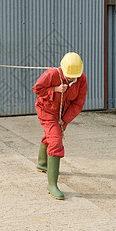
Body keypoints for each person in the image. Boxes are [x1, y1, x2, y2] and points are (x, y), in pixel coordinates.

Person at [32, 52, 87, 200]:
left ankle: (42, 164)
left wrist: (65, 119)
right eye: (69, 75)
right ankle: (52, 185)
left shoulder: (81, 80)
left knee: (52, 135)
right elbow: (37, 89)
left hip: (62, 114)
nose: (71, 78)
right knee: (56, 140)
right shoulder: (51, 74)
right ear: (63, 68)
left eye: (74, 76)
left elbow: (78, 103)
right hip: (46, 110)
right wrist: (55, 89)